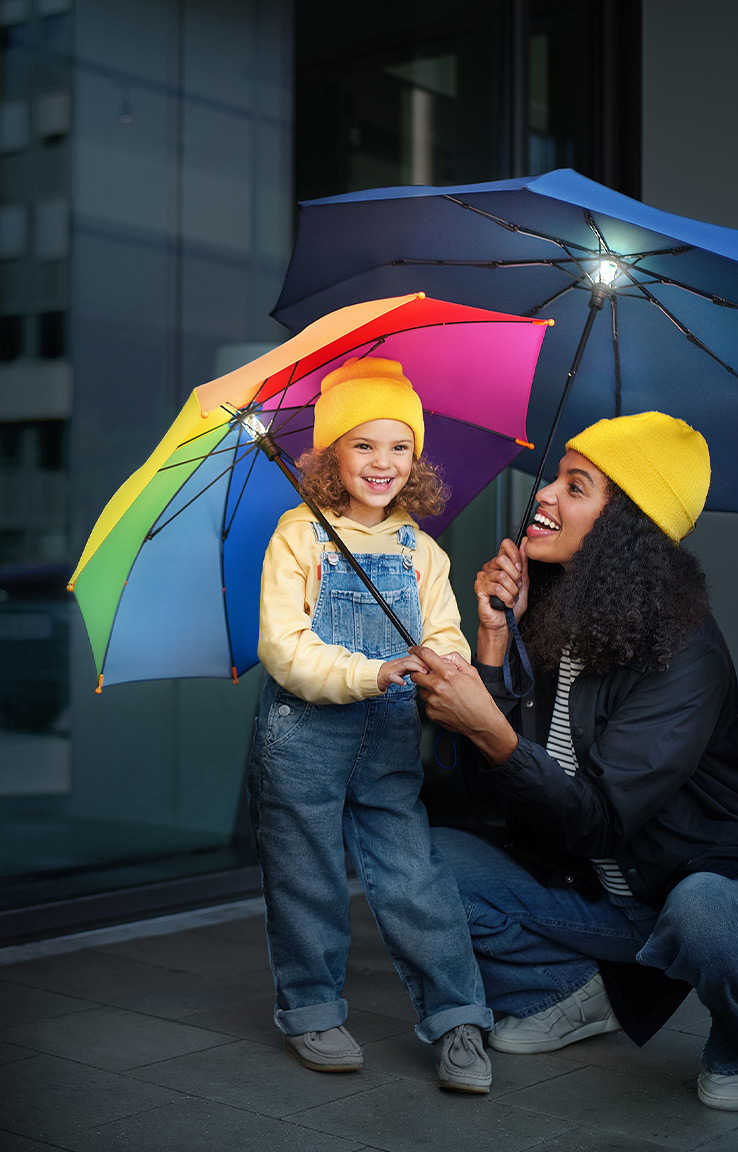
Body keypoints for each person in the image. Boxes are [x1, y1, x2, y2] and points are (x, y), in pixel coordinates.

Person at [411, 411, 738, 1111]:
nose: (543, 495)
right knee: (419, 858)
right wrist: (490, 643)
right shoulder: (549, 617)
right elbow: (475, 800)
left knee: (709, 918)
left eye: (575, 487)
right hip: (591, 896)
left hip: (693, 886)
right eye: (555, 478)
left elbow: (600, 821)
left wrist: (494, 728)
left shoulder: (686, 652)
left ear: (623, 528)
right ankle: (577, 994)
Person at [248, 356, 493, 1094]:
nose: (382, 463)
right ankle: (312, 1009)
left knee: (413, 876)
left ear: (416, 460)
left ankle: (459, 1018)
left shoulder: (423, 551)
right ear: (331, 455)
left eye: (399, 446)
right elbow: (284, 649)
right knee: (306, 878)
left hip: (387, 739)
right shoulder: (299, 536)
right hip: (302, 738)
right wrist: (372, 672)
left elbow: (445, 631)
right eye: (362, 444)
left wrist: (444, 663)